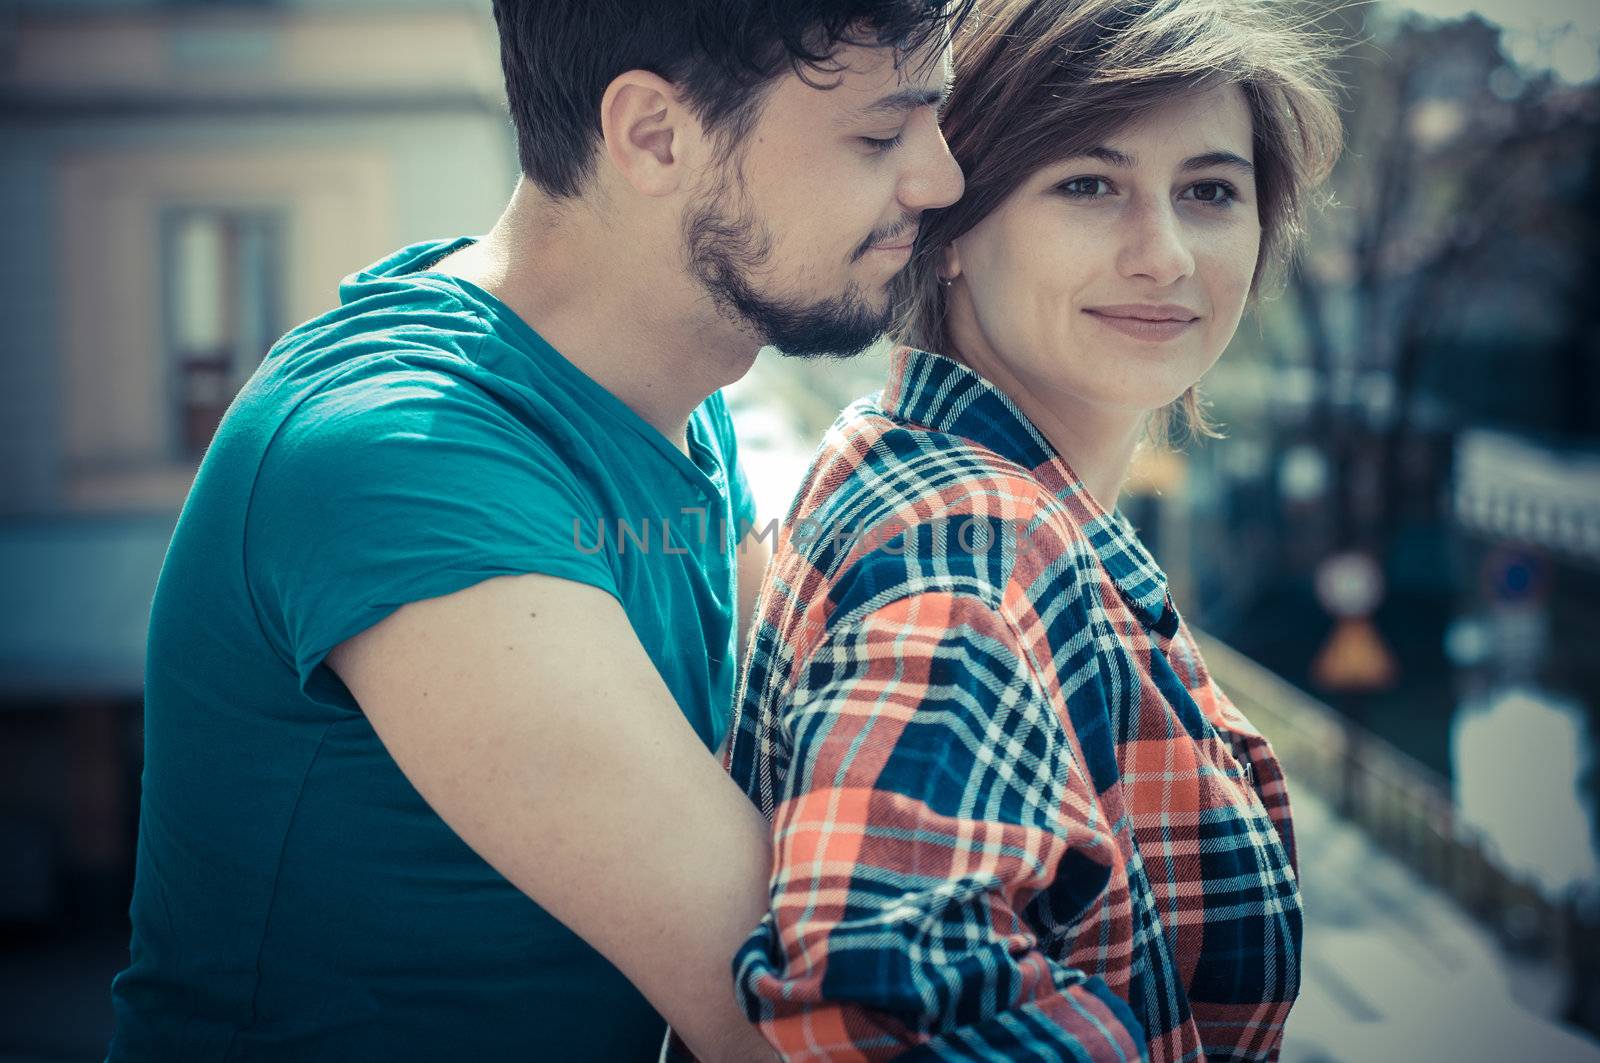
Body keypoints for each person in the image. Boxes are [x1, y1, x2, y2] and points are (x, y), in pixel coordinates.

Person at [105, 2, 972, 1060]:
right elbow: (799, 1014)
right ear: (654, 134)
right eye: (879, 137)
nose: (940, 180)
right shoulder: (403, 459)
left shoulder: (667, 395)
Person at [724, 0, 1344, 1058]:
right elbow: (878, 1000)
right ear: (950, 233)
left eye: (1207, 191)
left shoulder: (934, 476)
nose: (1163, 255)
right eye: (1088, 186)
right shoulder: (965, 540)